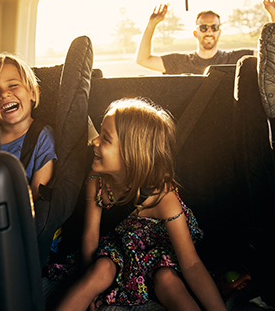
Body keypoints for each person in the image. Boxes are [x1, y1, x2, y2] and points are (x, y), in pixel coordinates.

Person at [54, 98, 226, 311]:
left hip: (161, 250)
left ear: (131, 154)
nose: (94, 142)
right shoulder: (96, 182)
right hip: (120, 246)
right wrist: (92, 284)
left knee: (166, 279)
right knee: (101, 268)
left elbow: (191, 264)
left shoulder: (164, 197)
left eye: (105, 138)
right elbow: (91, 236)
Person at [0, 53, 56, 201]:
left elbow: (37, 191)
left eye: (13, 85)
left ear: (33, 93)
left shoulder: (41, 137)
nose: (4, 94)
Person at [136, 0, 275, 75]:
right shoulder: (180, 62)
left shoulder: (237, 59)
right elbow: (143, 59)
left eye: (214, 27)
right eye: (204, 28)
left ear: (219, 32)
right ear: (195, 33)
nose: (209, 32)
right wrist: (152, 23)